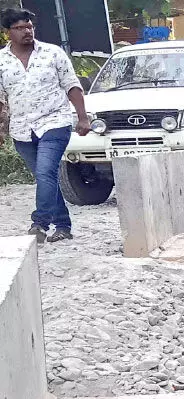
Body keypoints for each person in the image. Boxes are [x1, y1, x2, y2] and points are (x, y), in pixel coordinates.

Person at [0, 8, 90, 243]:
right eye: (20, 28)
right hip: (21, 129)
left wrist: (83, 117)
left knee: (45, 172)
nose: (27, 31)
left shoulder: (52, 53)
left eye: (29, 26)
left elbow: (72, 85)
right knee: (45, 178)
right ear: (8, 32)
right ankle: (63, 226)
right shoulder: (1, 62)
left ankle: (40, 223)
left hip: (55, 121)